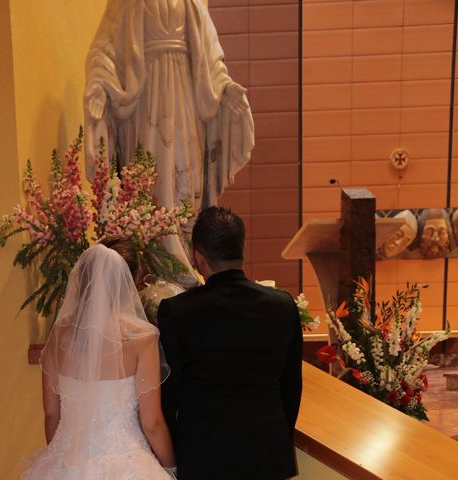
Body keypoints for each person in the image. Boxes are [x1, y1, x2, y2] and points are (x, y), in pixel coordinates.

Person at [84, 0, 255, 279]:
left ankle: (184, 266)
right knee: (147, 184)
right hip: (142, 105)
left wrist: (225, 89)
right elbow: (104, 52)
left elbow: (212, 59)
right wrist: (98, 85)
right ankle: (150, 274)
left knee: (185, 181)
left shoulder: (193, 2)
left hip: (185, 100)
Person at [158, 207, 303, 480]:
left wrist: (176, 454)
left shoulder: (177, 311)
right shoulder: (282, 304)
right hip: (268, 453)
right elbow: (292, 387)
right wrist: (277, 438)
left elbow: (169, 395)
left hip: (204, 454)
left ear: (197, 257)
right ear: (241, 249)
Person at [22, 244, 176, 479]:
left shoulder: (60, 333)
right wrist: (171, 467)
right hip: (127, 464)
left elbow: (52, 414)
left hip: (67, 461)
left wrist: (63, 461)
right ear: (129, 280)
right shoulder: (141, 338)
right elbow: (152, 423)